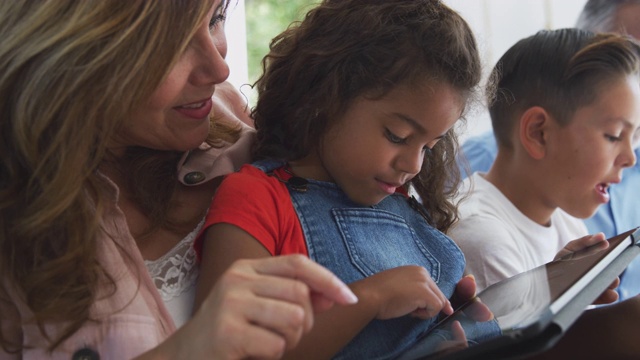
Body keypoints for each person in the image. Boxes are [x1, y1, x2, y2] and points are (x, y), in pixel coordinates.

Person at [0, 1, 358, 358]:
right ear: (72, 53)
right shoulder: (16, 226)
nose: (219, 68)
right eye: (173, 41)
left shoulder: (233, 116)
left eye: (216, 19)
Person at [194, 1, 494, 359]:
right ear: (326, 97)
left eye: (429, 146)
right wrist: (369, 299)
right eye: (397, 135)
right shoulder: (257, 197)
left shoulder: (398, 202)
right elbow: (227, 346)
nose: (413, 164)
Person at [449, 28, 640, 358]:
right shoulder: (483, 240)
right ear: (539, 133)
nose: (631, 158)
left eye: (635, 137)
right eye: (613, 135)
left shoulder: (565, 222)